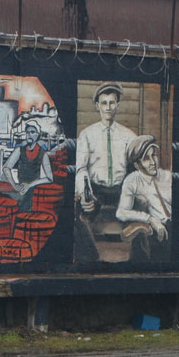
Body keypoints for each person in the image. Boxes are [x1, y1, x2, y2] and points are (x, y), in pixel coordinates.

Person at [74, 82, 137, 261]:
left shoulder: (129, 136)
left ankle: (137, 261)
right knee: (74, 211)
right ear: (97, 106)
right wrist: (85, 194)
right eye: (104, 103)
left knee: (147, 208)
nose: (108, 107)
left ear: (118, 105)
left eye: (112, 103)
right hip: (97, 191)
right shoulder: (87, 135)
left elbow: (136, 171)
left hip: (121, 191)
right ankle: (90, 259)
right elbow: (81, 169)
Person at [116, 135, 172, 261]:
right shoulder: (132, 181)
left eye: (154, 155)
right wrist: (150, 219)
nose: (153, 162)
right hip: (154, 232)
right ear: (137, 165)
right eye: (147, 158)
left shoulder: (167, 176)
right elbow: (121, 213)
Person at [0, 121, 53, 210]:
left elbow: (49, 178)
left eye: (32, 132)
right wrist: (14, 185)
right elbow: (6, 168)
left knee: (23, 203)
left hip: (33, 188)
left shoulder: (43, 154)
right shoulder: (20, 150)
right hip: (20, 187)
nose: (29, 135)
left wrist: (30, 185)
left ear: (38, 135)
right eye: (27, 132)